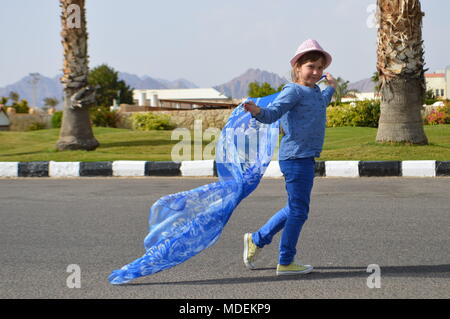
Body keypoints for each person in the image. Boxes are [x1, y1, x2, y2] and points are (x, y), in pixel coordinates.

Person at [242, 39, 337, 276]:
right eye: (310, 67)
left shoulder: (314, 91)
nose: (316, 72)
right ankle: (285, 261)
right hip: (295, 158)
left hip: (305, 157)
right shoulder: (292, 90)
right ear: (297, 68)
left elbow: (320, 104)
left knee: (295, 207)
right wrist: (257, 111)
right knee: (299, 211)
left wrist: (331, 88)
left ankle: (257, 239)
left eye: (319, 68)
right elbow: (272, 114)